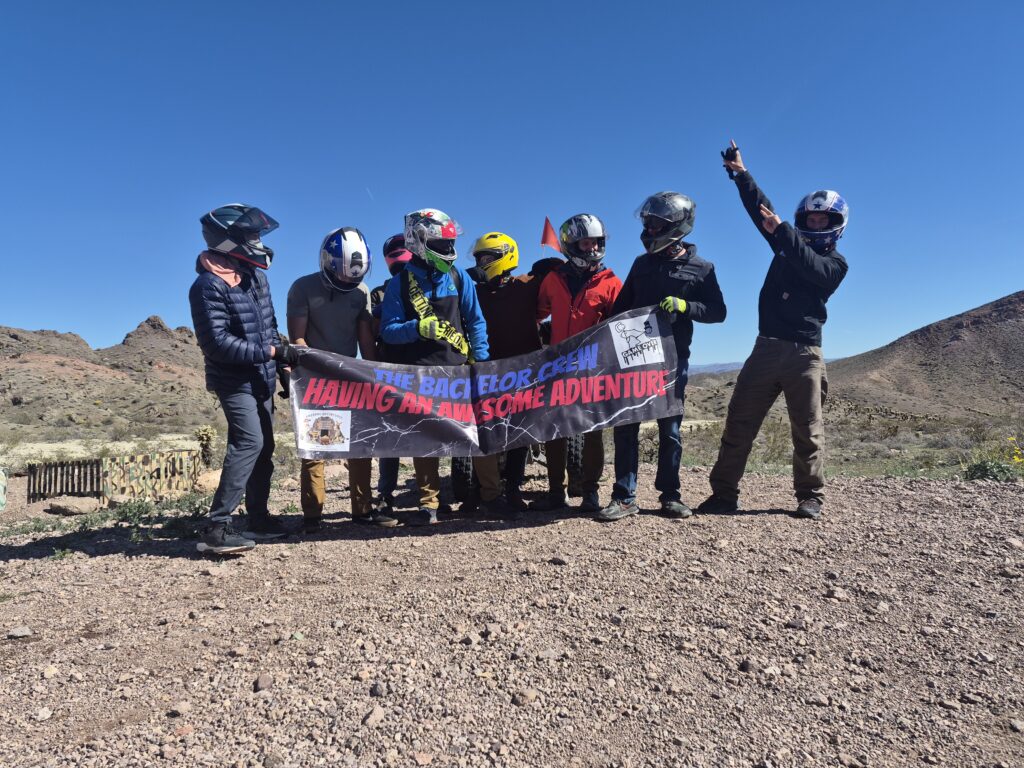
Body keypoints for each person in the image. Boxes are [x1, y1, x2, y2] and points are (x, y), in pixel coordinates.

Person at [699, 141, 849, 520]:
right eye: (810, 219)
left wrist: (782, 231)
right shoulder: (785, 243)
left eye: (822, 220)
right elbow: (761, 211)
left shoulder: (834, 264)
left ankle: (811, 496)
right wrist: (740, 174)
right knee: (739, 422)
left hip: (804, 354)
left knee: (808, 430)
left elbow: (809, 266)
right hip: (765, 348)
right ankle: (723, 494)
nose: (815, 224)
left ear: (835, 226)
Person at [598, 192, 727, 522]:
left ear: (678, 226)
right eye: (648, 223)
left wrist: (686, 307)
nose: (650, 229)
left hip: (673, 362)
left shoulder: (702, 268)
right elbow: (620, 309)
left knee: (670, 430)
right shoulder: (641, 265)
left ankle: (670, 496)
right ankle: (624, 497)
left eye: (656, 224)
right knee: (626, 427)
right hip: (634, 360)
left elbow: (718, 311)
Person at [380, 208, 502, 525]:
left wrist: (482, 361)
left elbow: (476, 322)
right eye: (441, 244)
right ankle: (429, 504)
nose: (448, 251)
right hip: (420, 374)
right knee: (425, 439)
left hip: (460, 370)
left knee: (479, 433)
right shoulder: (399, 285)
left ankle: (491, 496)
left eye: (450, 243)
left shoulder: (458, 277)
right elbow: (388, 332)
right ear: (419, 242)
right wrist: (416, 329)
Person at [189, 203, 296, 555]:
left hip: (262, 377)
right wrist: (270, 353)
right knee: (248, 442)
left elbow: (271, 328)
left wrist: (282, 367)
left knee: (265, 447)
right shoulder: (206, 286)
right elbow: (216, 343)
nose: (256, 242)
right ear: (228, 240)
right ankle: (217, 527)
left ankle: (258, 518)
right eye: (250, 236)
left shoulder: (255, 277)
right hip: (233, 380)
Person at [287, 227, 398, 533]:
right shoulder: (302, 288)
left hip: (351, 379)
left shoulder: (360, 293)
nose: (349, 283)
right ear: (327, 263)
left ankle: (361, 512)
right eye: (343, 278)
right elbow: (297, 339)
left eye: (355, 278)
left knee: (359, 446)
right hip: (316, 381)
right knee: (317, 447)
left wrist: (379, 375)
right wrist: (312, 370)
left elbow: (366, 339)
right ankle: (313, 517)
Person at [533, 214, 622, 513]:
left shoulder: (610, 282)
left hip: (593, 368)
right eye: (586, 242)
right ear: (572, 245)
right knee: (554, 430)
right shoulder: (553, 279)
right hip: (557, 365)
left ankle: (590, 492)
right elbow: (538, 311)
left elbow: (619, 325)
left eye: (597, 242)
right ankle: (556, 491)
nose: (593, 248)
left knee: (592, 430)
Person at [469, 232, 544, 510]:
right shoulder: (475, 292)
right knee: (485, 430)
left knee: (519, 432)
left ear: (504, 256)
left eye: (487, 257)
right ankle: (481, 488)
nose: (482, 262)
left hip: (523, 371)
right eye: (479, 258)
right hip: (487, 371)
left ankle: (513, 487)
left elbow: (550, 267)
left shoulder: (526, 285)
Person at [368, 234, 413, 514]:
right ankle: (385, 491)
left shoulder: (428, 284)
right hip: (391, 369)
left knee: (431, 429)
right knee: (389, 436)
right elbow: (373, 330)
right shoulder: (379, 294)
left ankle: (432, 492)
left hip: (421, 366)